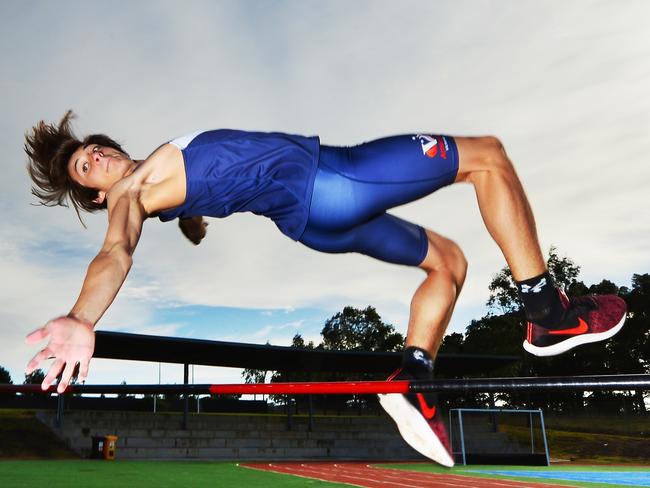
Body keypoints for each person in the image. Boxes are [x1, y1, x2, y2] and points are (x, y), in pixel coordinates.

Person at [23, 111, 626, 466]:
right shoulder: (131, 196)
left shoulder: (155, 185)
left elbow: (192, 189)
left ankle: (413, 378)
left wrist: (190, 215)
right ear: (96, 195)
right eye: (85, 167)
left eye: (95, 148)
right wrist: (82, 317)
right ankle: (548, 312)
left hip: (314, 223)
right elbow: (115, 250)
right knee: (488, 157)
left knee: (449, 261)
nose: (97, 155)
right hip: (332, 179)